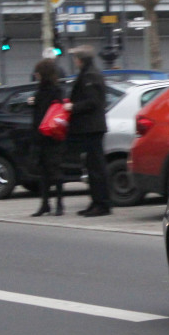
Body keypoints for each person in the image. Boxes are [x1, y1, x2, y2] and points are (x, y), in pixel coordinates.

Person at [67, 45, 111, 216]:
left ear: (81, 59)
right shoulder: (89, 74)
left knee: (96, 167)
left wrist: (73, 106)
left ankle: (101, 204)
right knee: (93, 167)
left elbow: (92, 102)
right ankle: (96, 202)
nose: (74, 61)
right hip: (90, 127)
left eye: (76, 58)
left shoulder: (90, 75)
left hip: (91, 127)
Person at [30, 59, 65, 217]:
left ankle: (55, 203)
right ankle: (48, 203)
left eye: (37, 72)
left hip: (49, 134)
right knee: (46, 171)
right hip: (47, 134)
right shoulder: (52, 90)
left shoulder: (51, 91)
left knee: (52, 170)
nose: (35, 75)